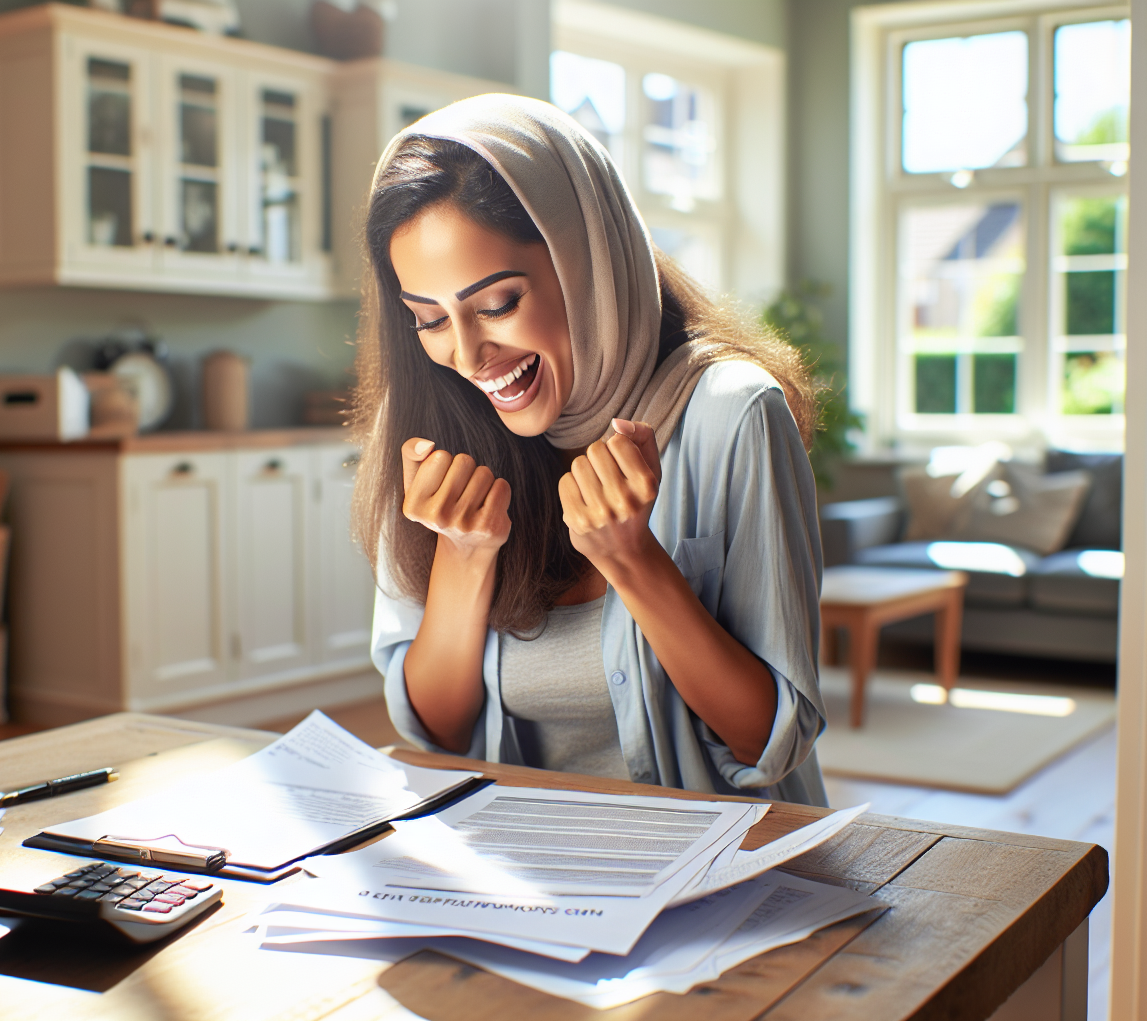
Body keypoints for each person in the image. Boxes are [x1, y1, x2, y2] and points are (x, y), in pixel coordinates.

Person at [351, 94, 827, 804]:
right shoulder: (425, 418)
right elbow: (438, 738)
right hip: (525, 877)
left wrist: (633, 560)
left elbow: (770, 741)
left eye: (496, 305)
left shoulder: (732, 412)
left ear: (586, 262)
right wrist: (464, 554)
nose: (468, 354)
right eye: (429, 318)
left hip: (722, 878)